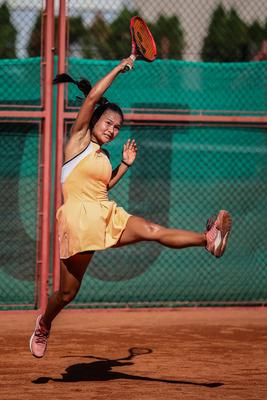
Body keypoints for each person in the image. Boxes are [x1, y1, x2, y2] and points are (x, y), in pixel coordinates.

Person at [30, 57, 232, 358]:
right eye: (108, 123)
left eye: (117, 127)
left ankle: (208, 239)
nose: (113, 130)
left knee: (153, 230)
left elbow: (103, 187)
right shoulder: (78, 140)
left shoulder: (102, 157)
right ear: (94, 119)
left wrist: (123, 165)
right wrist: (119, 69)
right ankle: (44, 323)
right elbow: (95, 95)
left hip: (106, 212)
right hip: (78, 221)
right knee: (68, 293)